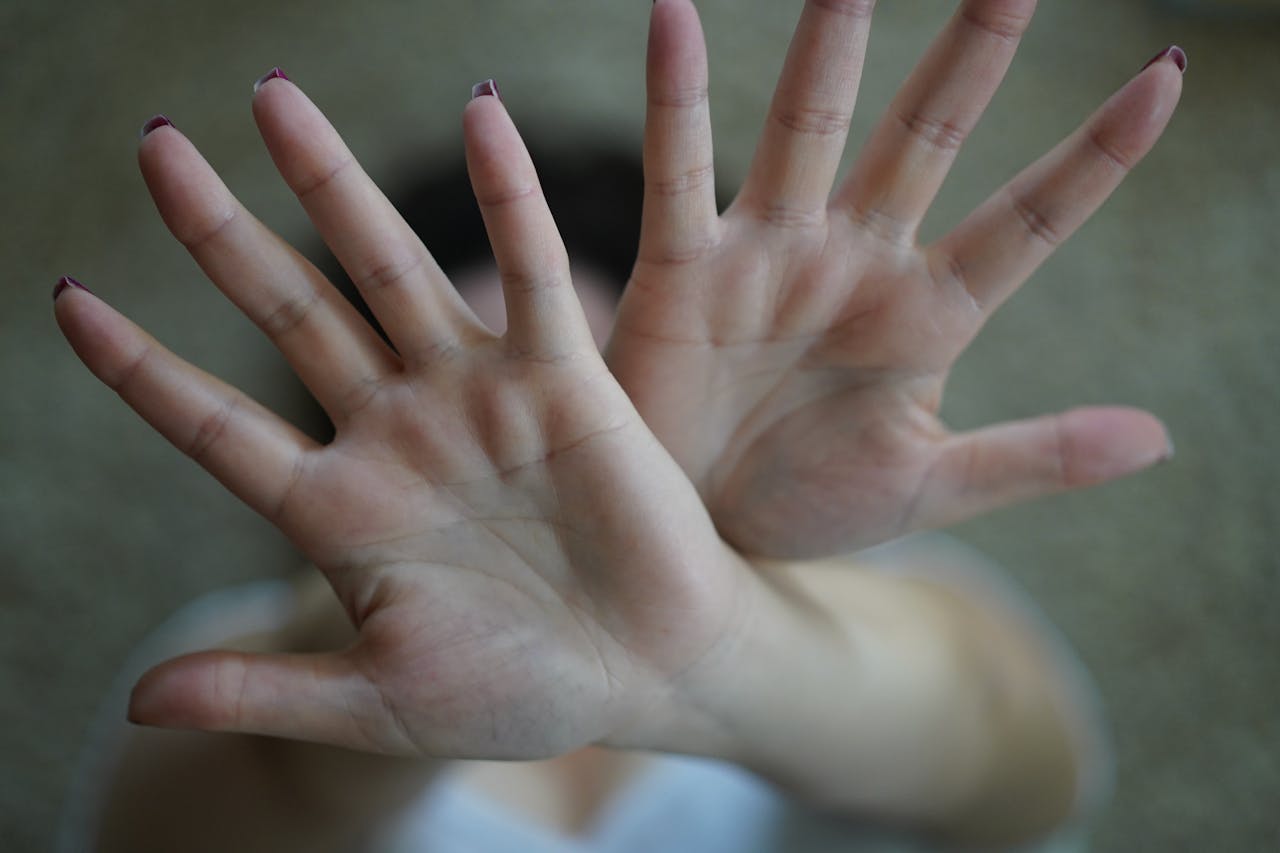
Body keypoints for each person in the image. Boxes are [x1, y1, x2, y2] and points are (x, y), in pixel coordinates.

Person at [53, 1, 1185, 850]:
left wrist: (718, 640)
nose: (554, 462)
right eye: (485, 420)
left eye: (596, 388)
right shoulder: (252, 650)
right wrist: (372, 666)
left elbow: (1012, 767)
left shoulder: (895, 612)